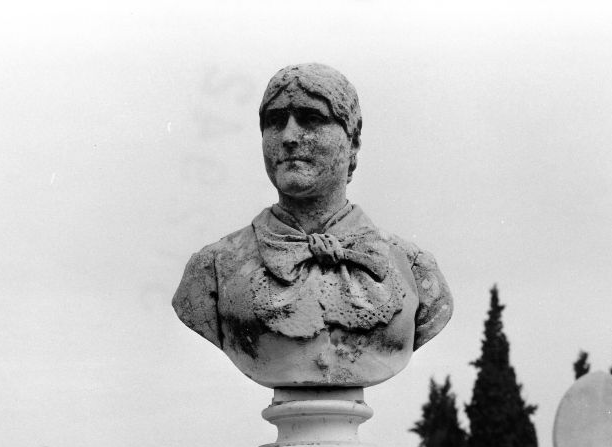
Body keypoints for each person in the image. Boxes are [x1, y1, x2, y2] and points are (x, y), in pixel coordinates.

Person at [172, 63, 452, 388]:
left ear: (354, 142)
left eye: (312, 118)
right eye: (275, 122)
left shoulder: (414, 269)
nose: (289, 137)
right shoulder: (213, 269)